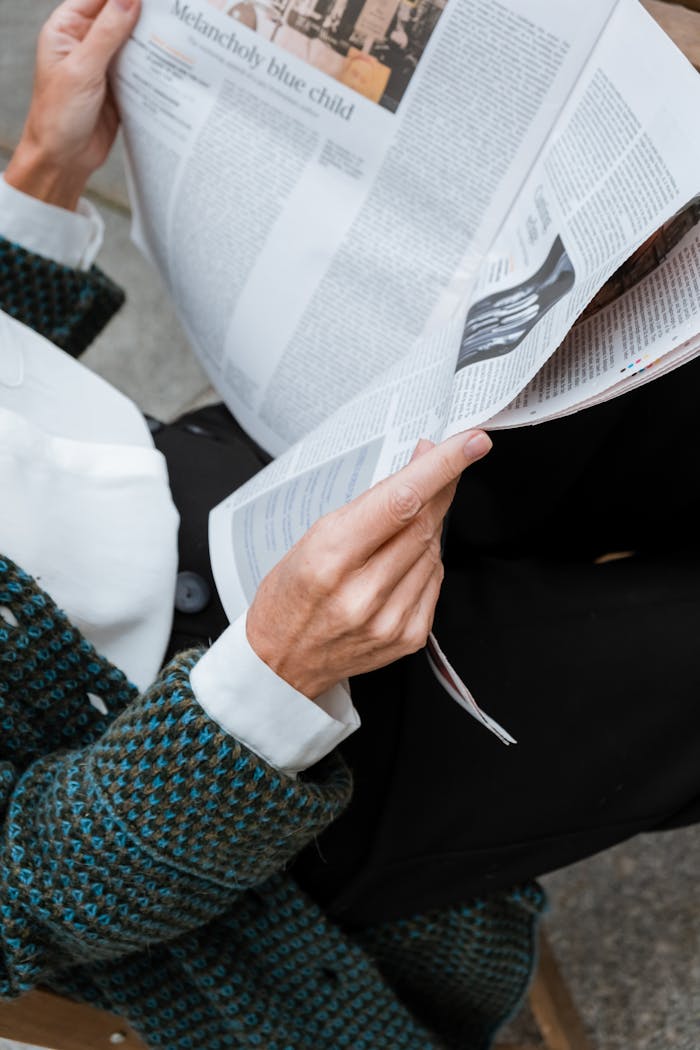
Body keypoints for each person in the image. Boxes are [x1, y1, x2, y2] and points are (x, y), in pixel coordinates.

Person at [0, 3, 545, 1049]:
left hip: (208, 486)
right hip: (224, 760)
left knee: (612, 408)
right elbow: (19, 895)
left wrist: (40, 175)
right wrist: (271, 676)